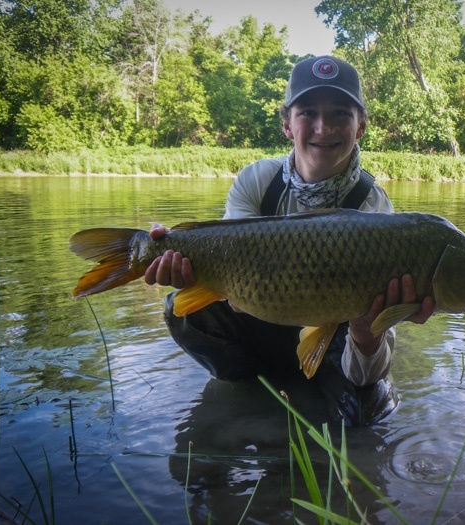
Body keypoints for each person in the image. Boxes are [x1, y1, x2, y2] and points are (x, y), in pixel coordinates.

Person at [145, 56, 434, 425]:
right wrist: (177, 255)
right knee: (182, 311)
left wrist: (366, 333)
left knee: (367, 411)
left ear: (360, 126)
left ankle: (317, 392)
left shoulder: (374, 206)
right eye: (308, 112)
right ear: (286, 124)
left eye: (340, 114)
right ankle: (249, 392)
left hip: (335, 331)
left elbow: (376, 339)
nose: (322, 127)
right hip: (260, 308)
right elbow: (231, 275)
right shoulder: (257, 181)